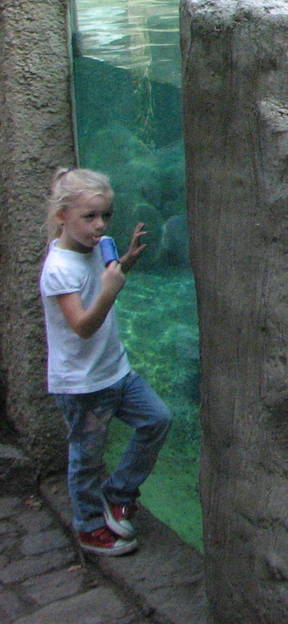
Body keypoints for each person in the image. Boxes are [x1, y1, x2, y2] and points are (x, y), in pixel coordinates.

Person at [38, 167, 170, 557]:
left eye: (106, 215)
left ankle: (119, 492)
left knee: (157, 419)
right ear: (62, 216)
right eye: (90, 217)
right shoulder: (59, 269)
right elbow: (82, 326)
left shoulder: (101, 246)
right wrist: (111, 291)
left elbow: (107, 276)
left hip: (116, 371)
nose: (100, 225)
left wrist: (125, 260)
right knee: (87, 458)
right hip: (82, 385)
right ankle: (89, 527)